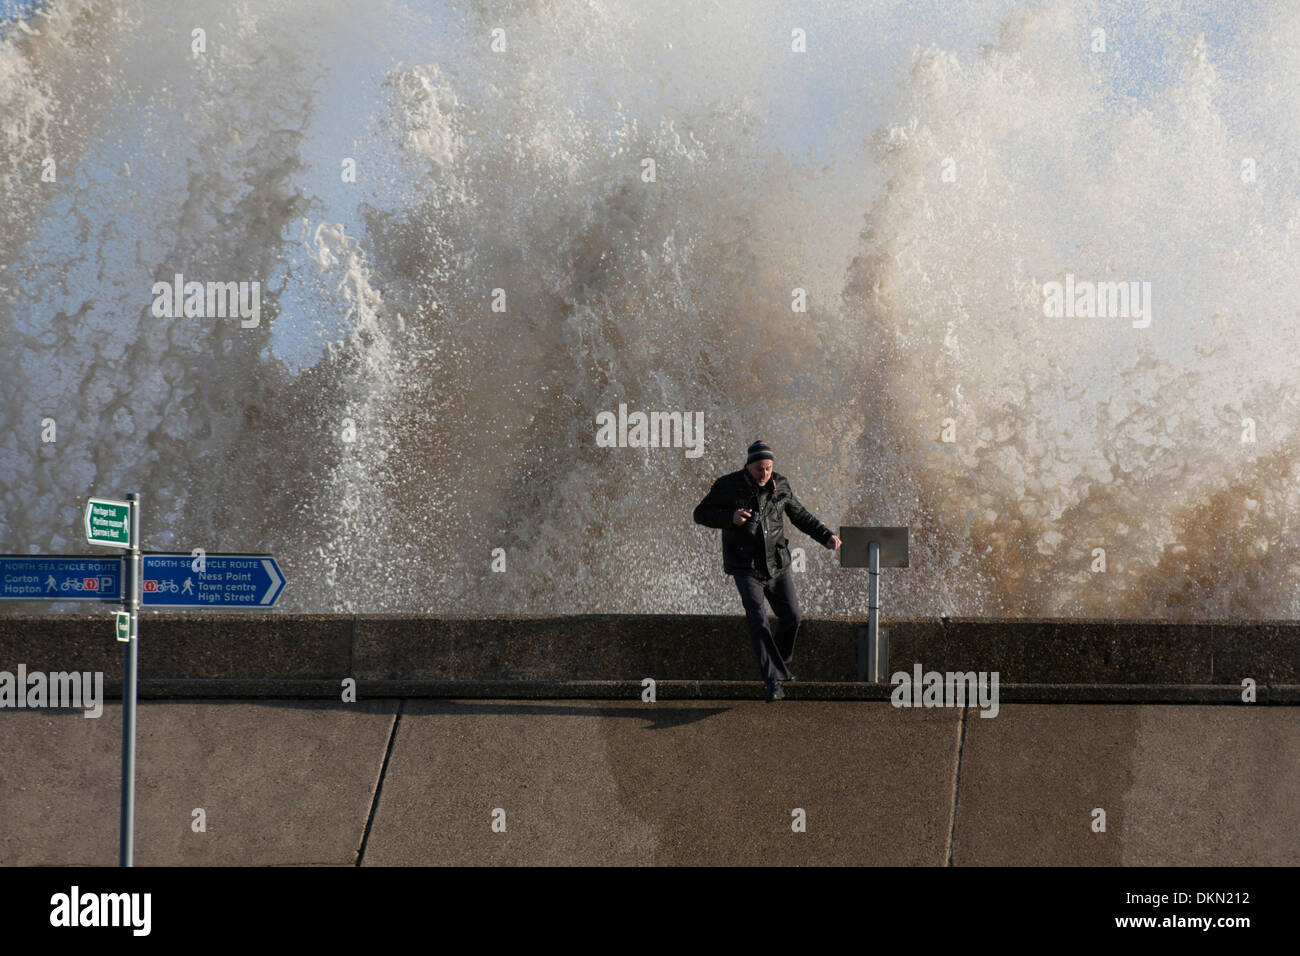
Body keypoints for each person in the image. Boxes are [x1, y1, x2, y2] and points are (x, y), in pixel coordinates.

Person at [693, 440, 841, 701]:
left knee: (793, 616)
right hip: (746, 567)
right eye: (760, 469)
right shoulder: (728, 485)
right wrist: (731, 518)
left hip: (777, 564)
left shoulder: (780, 485)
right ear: (748, 466)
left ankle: (779, 666)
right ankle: (772, 681)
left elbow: (800, 515)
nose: (765, 474)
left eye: (769, 468)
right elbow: (701, 513)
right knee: (757, 619)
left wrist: (826, 536)